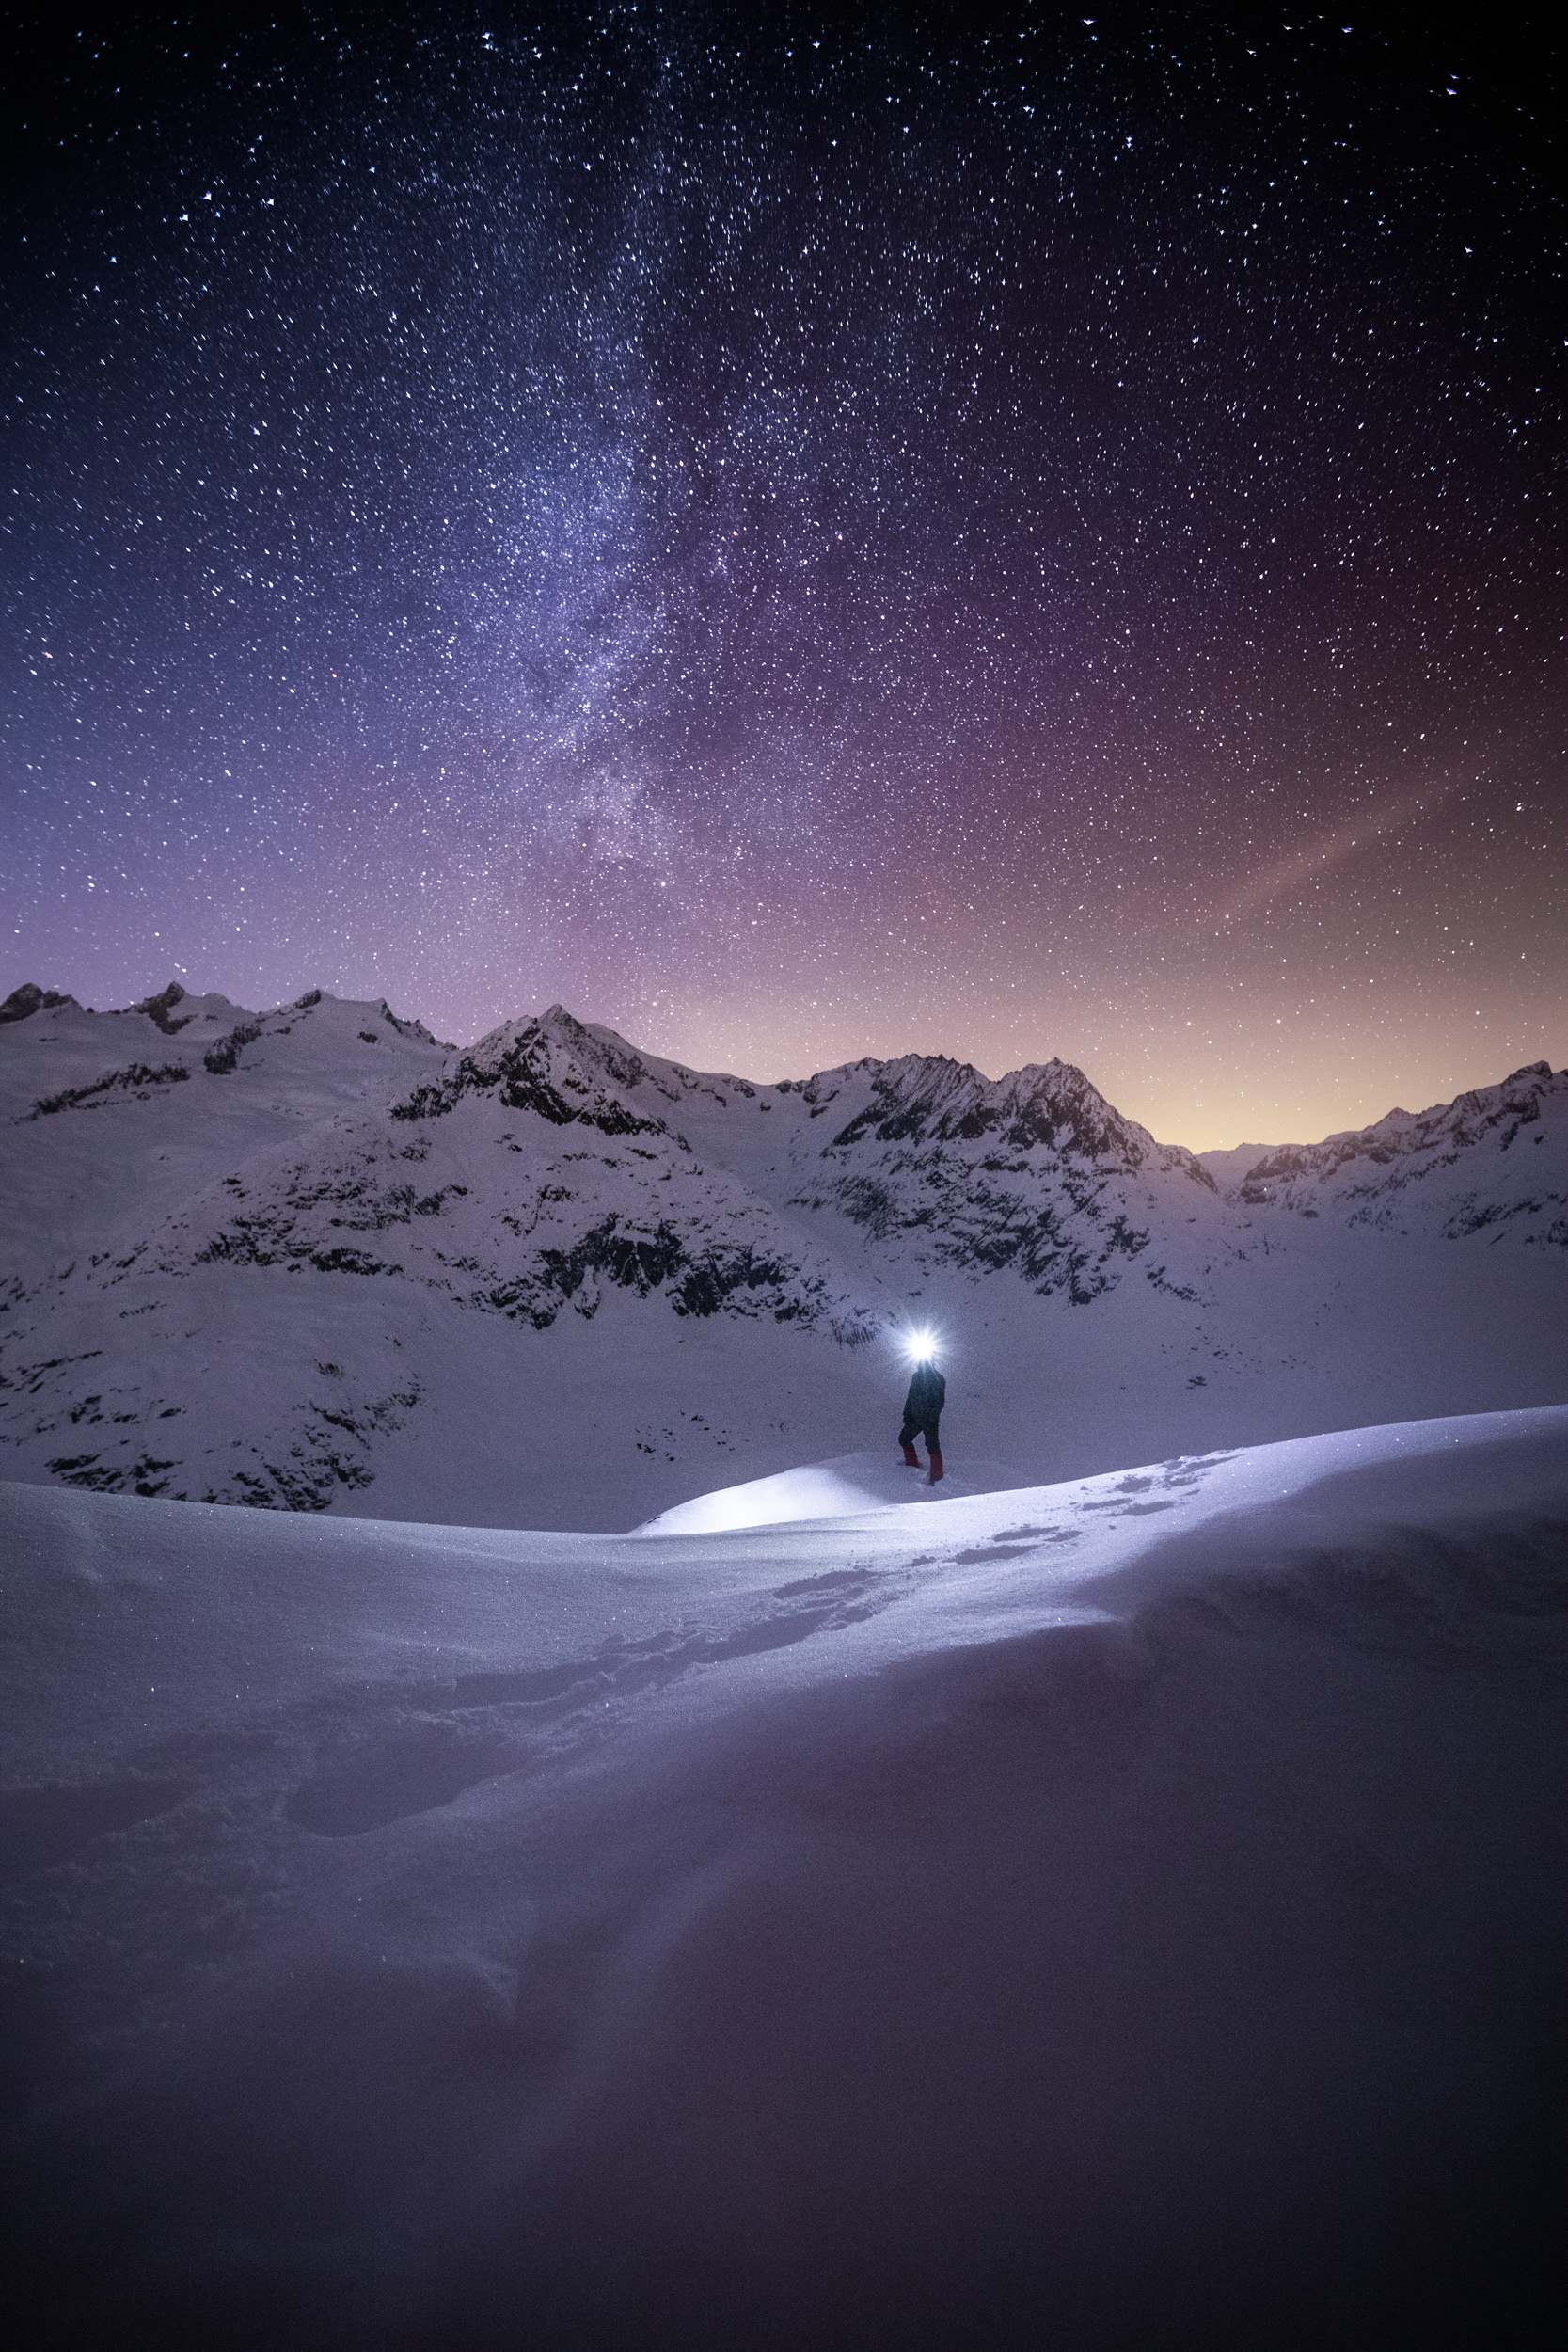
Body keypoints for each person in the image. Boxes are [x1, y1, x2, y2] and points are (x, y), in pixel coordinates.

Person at [898, 1356, 946, 1485]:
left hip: (929, 1420)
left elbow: (939, 1402)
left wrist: (932, 1417)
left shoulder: (938, 1378)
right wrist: (907, 1413)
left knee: (932, 1446)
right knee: (904, 1439)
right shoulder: (916, 1376)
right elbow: (911, 1396)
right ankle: (912, 1464)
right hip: (915, 1417)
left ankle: (936, 1475)